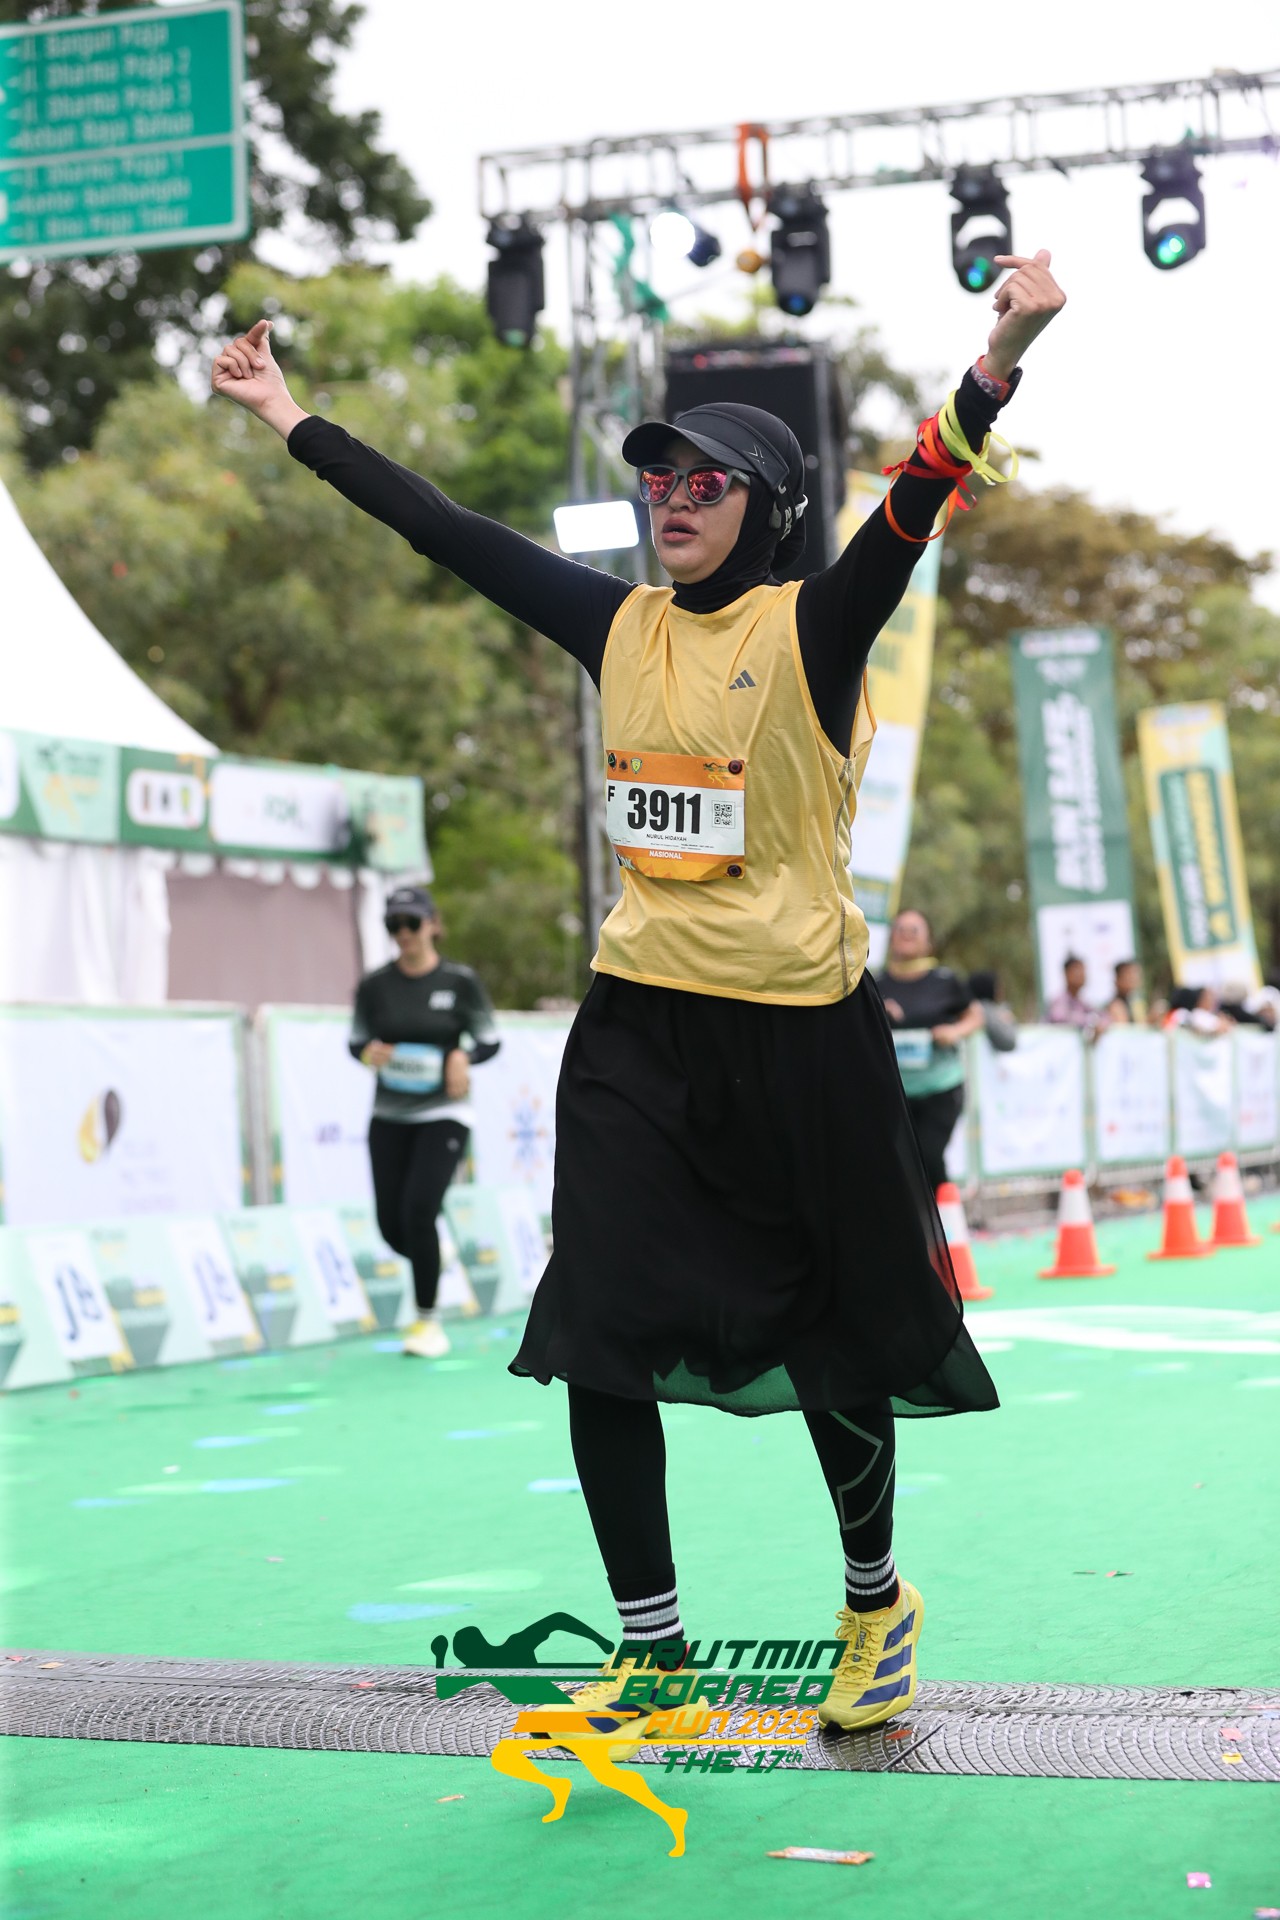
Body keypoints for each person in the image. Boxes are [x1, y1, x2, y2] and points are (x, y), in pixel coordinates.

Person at [212, 245, 1065, 1732]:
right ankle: (653, 1649)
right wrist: (288, 414)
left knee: (835, 1335)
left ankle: (875, 1603)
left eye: (704, 483)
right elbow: (442, 529)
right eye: (658, 479)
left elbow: (917, 497)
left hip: (800, 1036)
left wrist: (1000, 358)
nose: (671, 499)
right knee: (595, 1322)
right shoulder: (617, 625)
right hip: (638, 1027)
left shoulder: (814, 626)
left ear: (767, 511)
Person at [349, 884, 500, 1358]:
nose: (404, 933)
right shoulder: (374, 986)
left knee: (419, 1209)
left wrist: (463, 1055)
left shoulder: (460, 982)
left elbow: (490, 1040)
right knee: (391, 1225)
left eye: (412, 923)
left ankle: (428, 1323)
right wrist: (368, 1053)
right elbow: (356, 1041)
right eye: (393, 925)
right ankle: (433, 1252)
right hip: (389, 1113)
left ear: (433, 924)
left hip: (444, 1112)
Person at [877, 911, 986, 1193]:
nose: (906, 934)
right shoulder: (877, 984)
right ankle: (933, 1213)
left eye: (914, 930)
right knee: (899, 1164)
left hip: (941, 1088)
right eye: (900, 929)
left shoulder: (944, 980)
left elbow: (975, 1016)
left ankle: (943, 1213)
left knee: (928, 1154)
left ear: (929, 942)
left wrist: (954, 1031)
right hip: (896, 1093)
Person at [1045, 953, 1105, 1034]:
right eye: (1077, 971)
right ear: (1066, 974)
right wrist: (1091, 1021)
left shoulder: (1083, 1003)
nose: (1082, 975)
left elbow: (1104, 1016)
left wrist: (1100, 1023)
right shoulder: (1059, 1001)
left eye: (1083, 971)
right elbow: (1059, 1017)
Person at [968, 968, 1018, 1053]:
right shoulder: (984, 1009)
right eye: (997, 987)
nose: (1001, 991)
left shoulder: (978, 1007)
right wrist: (1008, 1022)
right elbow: (1008, 1042)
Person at [1106, 957, 1148, 1026]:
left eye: (1136, 975)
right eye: (1129, 976)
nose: (1134, 980)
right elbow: (1125, 1029)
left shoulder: (1136, 1003)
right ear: (1117, 980)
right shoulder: (1116, 1006)